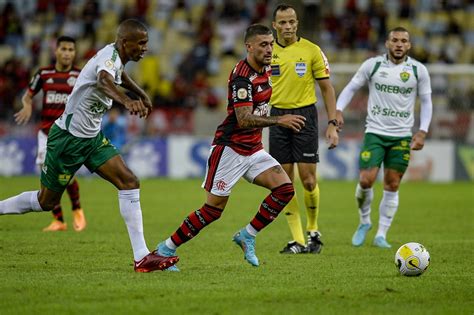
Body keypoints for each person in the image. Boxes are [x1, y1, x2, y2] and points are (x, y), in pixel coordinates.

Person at [0, 19, 178, 272]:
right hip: (68, 140)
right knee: (45, 202)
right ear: (125, 42)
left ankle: (142, 257)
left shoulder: (116, 56)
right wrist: (127, 101)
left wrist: (141, 93)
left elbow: (119, 75)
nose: (145, 48)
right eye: (141, 43)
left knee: (129, 181)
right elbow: (105, 80)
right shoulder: (108, 59)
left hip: (92, 138)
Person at [155, 24, 306, 270]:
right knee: (213, 210)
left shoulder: (267, 68)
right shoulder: (241, 77)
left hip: (253, 149)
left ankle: (247, 235)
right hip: (230, 149)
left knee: (285, 190)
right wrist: (280, 120)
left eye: (271, 44)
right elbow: (244, 119)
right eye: (263, 45)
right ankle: (165, 249)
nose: (269, 49)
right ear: (249, 46)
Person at [336, 26, 433, 248]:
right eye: (395, 40)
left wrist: (423, 130)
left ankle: (381, 234)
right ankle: (364, 222)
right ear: (387, 43)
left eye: (404, 41)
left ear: (409, 45)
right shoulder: (373, 65)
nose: (399, 44)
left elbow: (427, 102)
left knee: (392, 183)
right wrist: (339, 110)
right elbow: (351, 88)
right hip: (375, 133)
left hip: (401, 137)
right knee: (365, 179)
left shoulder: (419, 70)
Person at [269, 4, 339, 254]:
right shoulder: (267, 51)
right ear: (275, 25)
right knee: (284, 184)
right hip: (277, 117)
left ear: (297, 23)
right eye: (283, 23)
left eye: (292, 22)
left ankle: (313, 230)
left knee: (309, 180)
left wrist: (332, 123)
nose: (288, 27)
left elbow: (327, 89)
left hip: (305, 115)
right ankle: (298, 240)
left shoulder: (312, 50)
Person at [14, 35, 87, 232]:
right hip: (46, 134)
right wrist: (27, 106)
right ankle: (59, 220)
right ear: (56, 51)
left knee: (66, 176)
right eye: (63, 49)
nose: (67, 53)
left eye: (71, 50)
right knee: (46, 179)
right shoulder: (44, 74)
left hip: (69, 135)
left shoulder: (81, 76)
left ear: (74, 53)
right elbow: (28, 96)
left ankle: (77, 209)